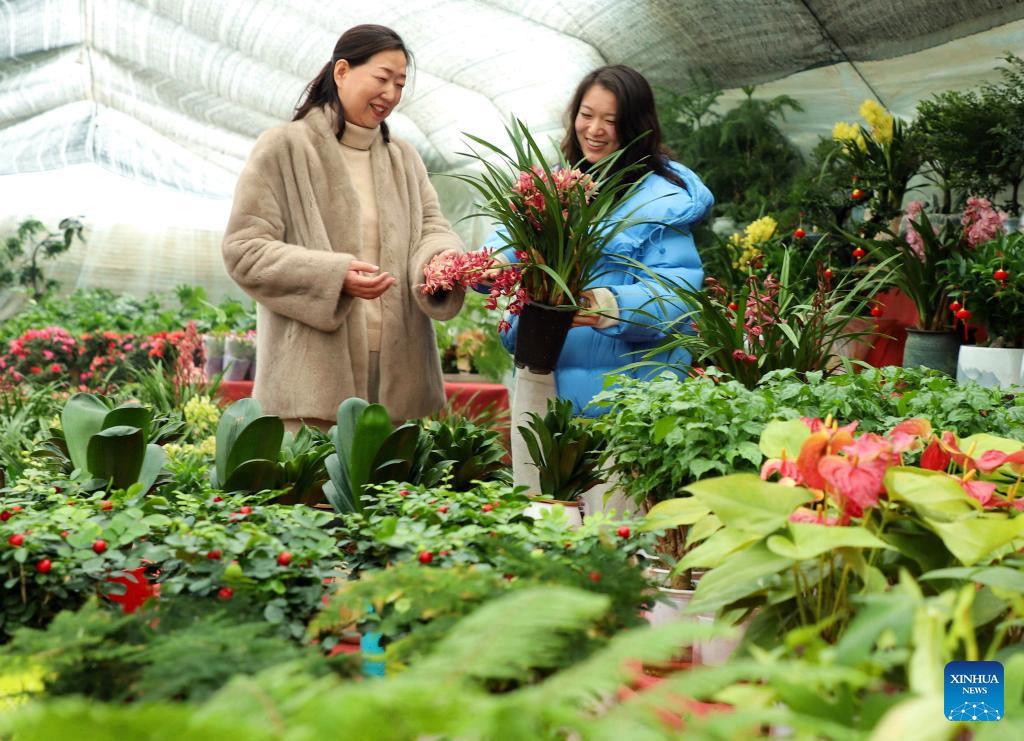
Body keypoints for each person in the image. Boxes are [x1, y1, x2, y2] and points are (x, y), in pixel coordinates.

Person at [483, 64, 714, 506]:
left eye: (611, 120)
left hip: (624, 392)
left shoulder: (660, 200)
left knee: (610, 533)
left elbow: (678, 298)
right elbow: (507, 242)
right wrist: (490, 263)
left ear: (636, 127)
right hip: (541, 374)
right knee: (539, 523)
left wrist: (604, 304)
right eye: (587, 115)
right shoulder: (553, 185)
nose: (595, 129)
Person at [222, 25, 464, 431]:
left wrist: (442, 262)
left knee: (388, 493)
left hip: (397, 377)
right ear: (342, 72)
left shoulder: (404, 158)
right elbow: (244, 249)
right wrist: (334, 276)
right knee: (312, 492)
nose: (390, 93)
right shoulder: (285, 147)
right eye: (382, 78)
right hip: (311, 381)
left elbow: (433, 229)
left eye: (400, 84)